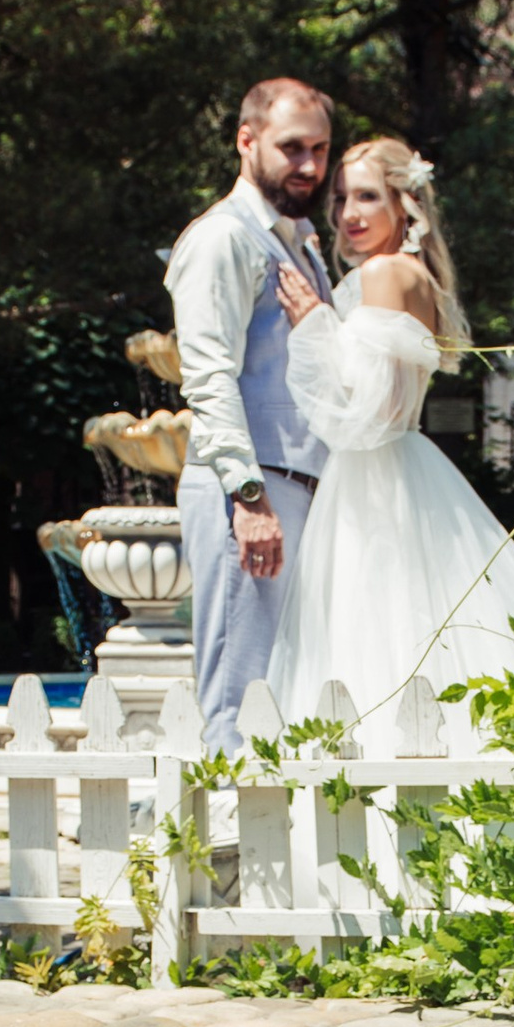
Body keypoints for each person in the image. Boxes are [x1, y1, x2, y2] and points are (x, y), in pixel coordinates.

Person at [263, 139, 514, 737]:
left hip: (375, 477)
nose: (347, 214)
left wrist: (313, 326)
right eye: (339, 198)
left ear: (404, 206)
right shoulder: (412, 274)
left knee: (375, 629)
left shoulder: (384, 272)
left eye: (367, 196)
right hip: (401, 469)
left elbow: (373, 413)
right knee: (411, 627)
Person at [165, 78, 338, 749]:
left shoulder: (296, 242)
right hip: (251, 486)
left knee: (281, 694)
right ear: (246, 139)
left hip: (296, 486)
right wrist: (248, 496)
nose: (310, 167)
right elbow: (208, 377)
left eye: (320, 149)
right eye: (292, 147)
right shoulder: (222, 239)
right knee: (239, 699)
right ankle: (225, 852)